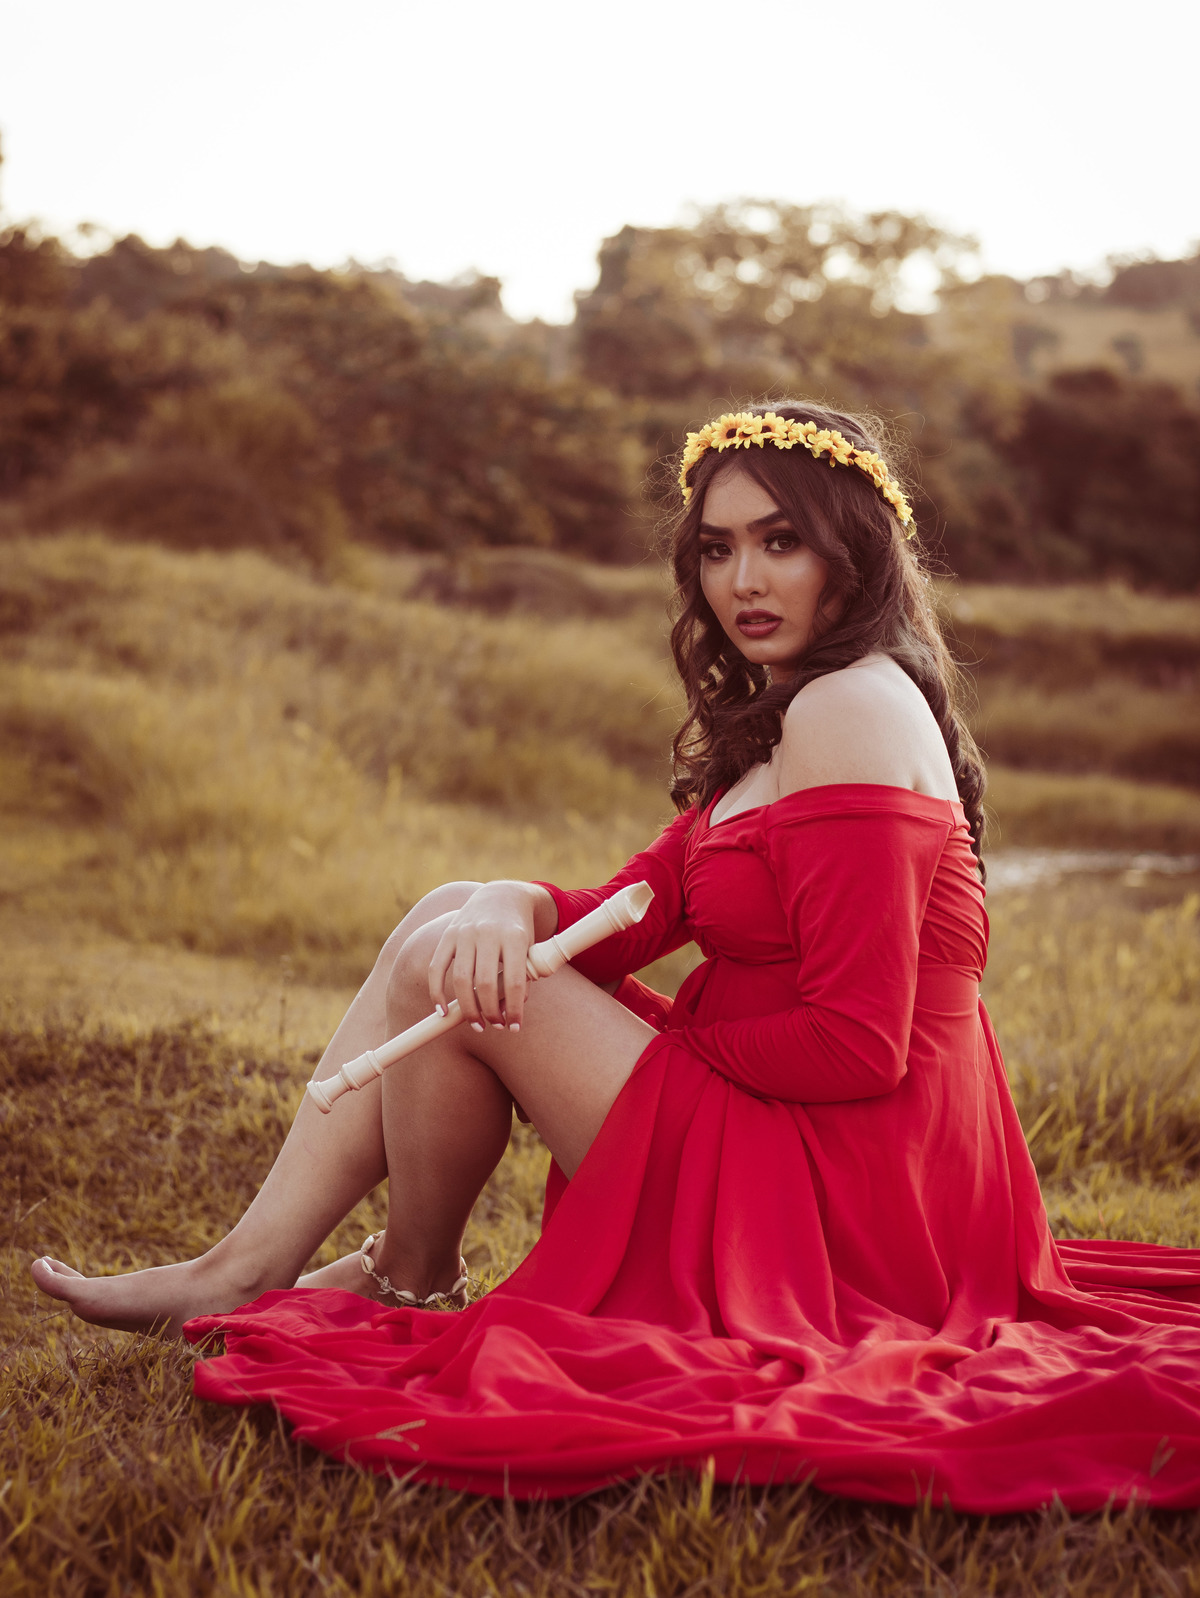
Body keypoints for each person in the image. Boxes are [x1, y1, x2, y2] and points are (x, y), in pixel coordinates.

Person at [30, 404, 1200, 1511]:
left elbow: (858, 1044)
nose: (743, 581)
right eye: (718, 549)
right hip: (791, 1129)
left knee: (459, 969)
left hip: (854, 1184)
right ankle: (328, 1265)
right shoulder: (786, 717)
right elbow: (628, 911)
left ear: (854, 554)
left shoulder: (849, 708)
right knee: (457, 915)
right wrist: (506, 901)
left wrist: (647, 1048)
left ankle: (362, 1271)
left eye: (781, 542)